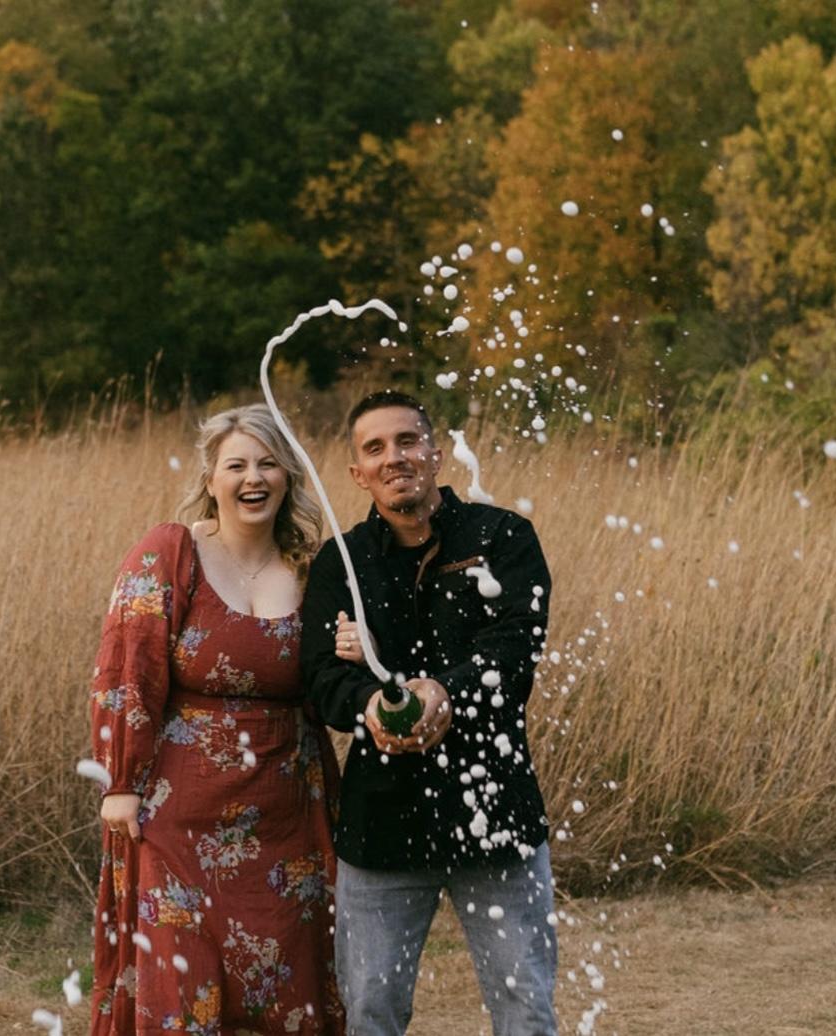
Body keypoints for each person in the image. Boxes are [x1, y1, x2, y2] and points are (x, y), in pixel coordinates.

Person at [300, 391, 557, 1036]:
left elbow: (514, 652)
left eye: (408, 440)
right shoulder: (340, 562)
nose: (394, 457)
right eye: (375, 448)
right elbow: (323, 679)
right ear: (358, 472)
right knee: (371, 1011)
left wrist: (444, 691)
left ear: (437, 454)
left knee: (525, 1004)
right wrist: (370, 706)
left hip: (495, 811)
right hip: (381, 822)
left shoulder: (504, 538)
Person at [89, 404, 344, 1036]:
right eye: (236, 465)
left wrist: (357, 654)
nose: (253, 478)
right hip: (178, 820)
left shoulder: (316, 570)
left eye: (268, 463)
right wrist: (121, 782)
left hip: (288, 819)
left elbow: (330, 689)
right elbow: (128, 668)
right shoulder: (170, 553)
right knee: (183, 993)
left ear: (288, 476)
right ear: (211, 479)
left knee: (287, 997)